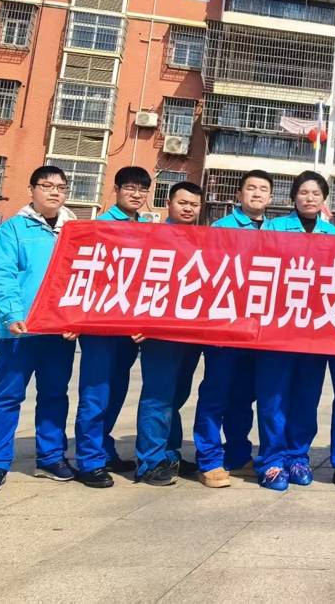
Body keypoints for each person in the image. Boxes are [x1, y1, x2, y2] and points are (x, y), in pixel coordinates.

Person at [255, 171, 335, 492]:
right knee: (274, 397)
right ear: (293, 197)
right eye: (303, 192)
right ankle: (271, 460)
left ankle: (297, 456)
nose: (309, 198)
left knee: (306, 396)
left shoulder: (333, 235)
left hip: (315, 332)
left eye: (316, 193)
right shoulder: (274, 228)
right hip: (278, 328)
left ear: (324, 199)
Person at [0, 166, 79, 493]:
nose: (54, 192)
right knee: (7, 396)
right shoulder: (13, 230)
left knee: (54, 395)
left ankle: (51, 457)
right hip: (20, 330)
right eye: (46, 185)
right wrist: (12, 313)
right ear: (31, 189)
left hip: (59, 332)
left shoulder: (75, 231)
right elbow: (1, 274)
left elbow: (83, 279)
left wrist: (76, 319)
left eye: (60, 187)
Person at [73, 165, 152, 488]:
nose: (136, 194)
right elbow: (84, 277)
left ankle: (104, 450)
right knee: (95, 393)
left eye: (142, 190)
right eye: (129, 188)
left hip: (130, 329)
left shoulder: (150, 231)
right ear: (116, 190)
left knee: (117, 391)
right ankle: (88, 460)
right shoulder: (99, 227)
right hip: (100, 327)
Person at [194, 169, 271, 488]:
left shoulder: (276, 231)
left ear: (270, 197)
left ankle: (238, 455)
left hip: (259, 331)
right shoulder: (221, 228)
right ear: (239, 194)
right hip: (224, 328)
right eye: (251, 188)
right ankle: (209, 459)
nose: (257, 193)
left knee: (244, 396)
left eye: (263, 189)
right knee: (216, 393)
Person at [134, 181, 205, 486]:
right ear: (168, 203)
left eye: (194, 205)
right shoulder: (152, 237)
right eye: (182, 203)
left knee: (177, 395)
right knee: (158, 395)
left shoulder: (205, 240)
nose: (188, 209)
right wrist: (137, 322)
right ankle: (149, 461)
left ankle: (169, 453)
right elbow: (136, 281)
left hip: (190, 332)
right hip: (159, 332)